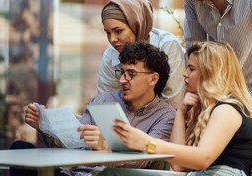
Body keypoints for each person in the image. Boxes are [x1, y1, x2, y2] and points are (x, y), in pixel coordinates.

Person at [98, 41, 252, 176]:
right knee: (112, 173)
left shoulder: (227, 109)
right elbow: (178, 166)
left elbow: (203, 158)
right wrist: (180, 113)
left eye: (191, 68)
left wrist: (148, 143)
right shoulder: (206, 111)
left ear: (209, 73)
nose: (184, 74)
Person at [14, 41, 176, 176]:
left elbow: (144, 159)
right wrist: (44, 127)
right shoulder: (104, 99)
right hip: (72, 173)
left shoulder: (165, 115)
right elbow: (74, 145)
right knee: (20, 148)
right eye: (122, 72)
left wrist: (106, 148)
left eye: (130, 74)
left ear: (153, 79)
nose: (122, 80)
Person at [98, 0, 186, 108]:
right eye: (108, 33)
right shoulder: (111, 53)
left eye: (118, 31)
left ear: (137, 25)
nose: (112, 39)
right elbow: (106, 101)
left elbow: (173, 102)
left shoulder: (167, 45)